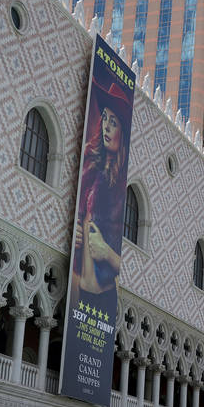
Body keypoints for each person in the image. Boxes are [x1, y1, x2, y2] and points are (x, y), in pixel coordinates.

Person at [69, 78, 131, 308]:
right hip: (79, 286)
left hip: (103, 296)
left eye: (113, 122)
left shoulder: (120, 187)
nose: (106, 126)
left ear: (122, 132)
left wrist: (106, 252)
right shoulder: (91, 167)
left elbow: (117, 260)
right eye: (105, 118)